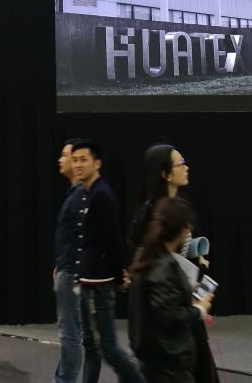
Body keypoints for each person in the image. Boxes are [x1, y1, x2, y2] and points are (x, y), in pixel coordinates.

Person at [71, 139, 145, 383]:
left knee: (109, 349)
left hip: (99, 285)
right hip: (88, 282)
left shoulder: (102, 195)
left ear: (97, 163)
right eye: (75, 160)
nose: (78, 164)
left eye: (83, 159)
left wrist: (118, 276)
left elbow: (112, 241)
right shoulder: (87, 193)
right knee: (91, 346)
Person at [128, 198, 218, 383]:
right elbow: (169, 316)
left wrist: (184, 289)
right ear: (183, 230)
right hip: (168, 361)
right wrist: (200, 309)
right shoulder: (164, 266)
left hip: (150, 356)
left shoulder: (147, 255)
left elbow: (157, 302)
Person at [129, 145, 207, 269]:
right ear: (166, 174)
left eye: (184, 162)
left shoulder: (181, 205)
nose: (186, 168)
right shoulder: (152, 214)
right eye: (180, 163)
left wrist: (199, 257)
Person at [53, 138, 86, 383]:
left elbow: (85, 237)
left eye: (66, 155)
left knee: (70, 334)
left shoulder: (81, 195)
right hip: (68, 270)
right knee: (71, 332)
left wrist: (72, 269)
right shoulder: (75, 194)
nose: (61, 160)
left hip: (72, 274)